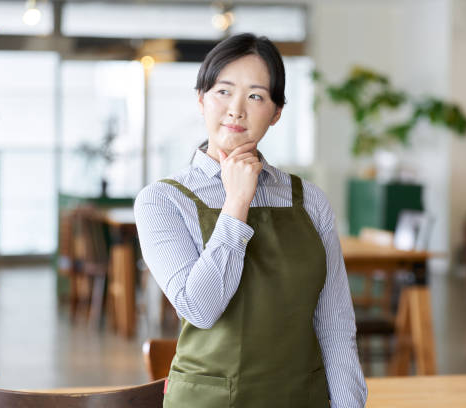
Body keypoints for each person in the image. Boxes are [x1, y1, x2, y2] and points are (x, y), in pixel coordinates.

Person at [134, 33, 367, 408]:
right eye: (223, 92)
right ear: (201, 100)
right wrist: (238, 200)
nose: (236, 109)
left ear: (276, 113)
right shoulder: (162, 201)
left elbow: (335, 325)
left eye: (256, 96)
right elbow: (200, 309)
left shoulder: (310, 200)